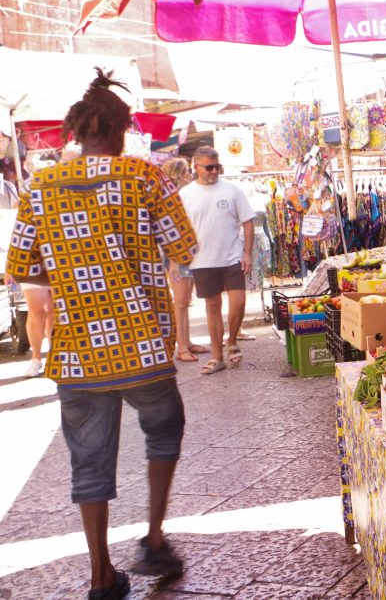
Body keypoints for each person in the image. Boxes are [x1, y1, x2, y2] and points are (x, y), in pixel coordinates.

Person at [6, 69, 197, 598]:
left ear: (75, 132)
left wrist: (69, 272)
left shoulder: (40, 187)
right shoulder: (144, 177)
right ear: (120, 130)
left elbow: (22, 264)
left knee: (88, 463)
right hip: (141, 345)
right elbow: (184, 248)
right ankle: (154, 540)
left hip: (77, 354)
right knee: (164, 429)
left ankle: (100, 576)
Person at [179, 146, 254, 374]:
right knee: (212, 308)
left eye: (217, 167)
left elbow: (248, 222)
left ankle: (232, 340)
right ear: (196, 168)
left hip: (231, 257)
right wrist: (177, 259)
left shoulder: (232, 190)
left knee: (239, 302)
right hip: (202, 260)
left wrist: (247, 253)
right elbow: (180, 228)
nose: (214, 171)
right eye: (209, 167)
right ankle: (217, 356)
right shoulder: (185, 194)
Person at [161, 158, 208, 363]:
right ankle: (181, 346)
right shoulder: (174, 197)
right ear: (180, 173)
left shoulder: (181, 196)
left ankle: (186, 342)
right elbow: (170, 230)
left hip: (186, 253)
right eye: (187, 171)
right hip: (177, 255)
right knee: (180, 302)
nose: (190, 174)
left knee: (184, 300)